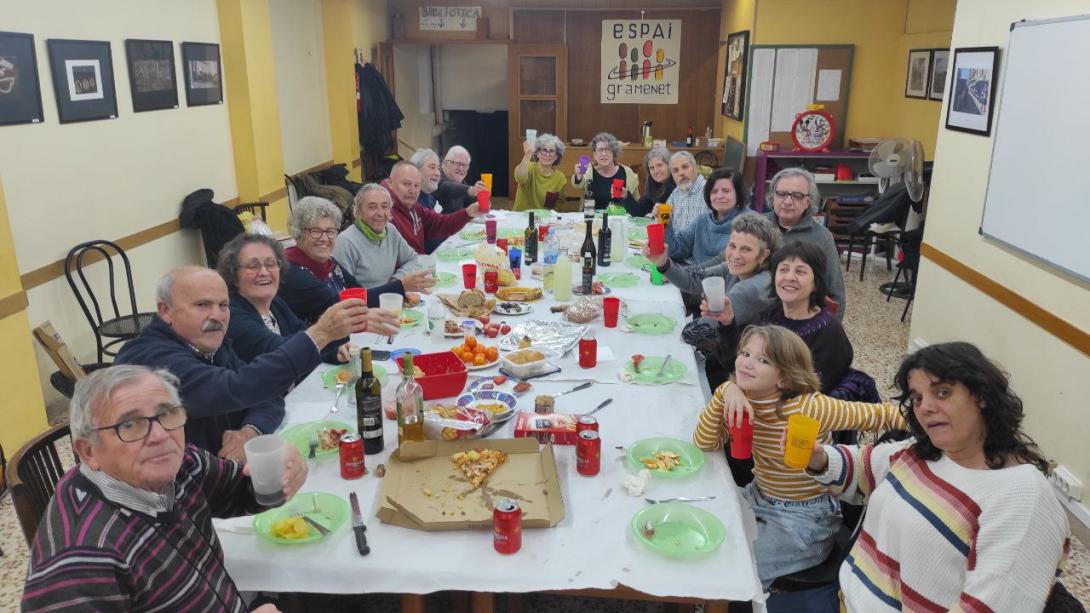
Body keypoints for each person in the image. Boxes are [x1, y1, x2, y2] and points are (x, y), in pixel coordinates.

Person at [804, 342, 1070, 611]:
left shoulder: (1022, 497)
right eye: (917, 398)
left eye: (942, 392)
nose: (925, 407)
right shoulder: (925, 451)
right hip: (843, 599)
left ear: (982, 396)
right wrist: (818, 458)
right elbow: (862, 469)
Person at [22, 365, 306, 612]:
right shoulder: (79, 565)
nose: (159, 435)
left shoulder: (181, 465)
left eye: (166, 413)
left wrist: (281, 474)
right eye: (129, 424)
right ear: (88, 452)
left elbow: (240, 492)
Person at [692, 325, 906, 587]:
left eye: (763, 360)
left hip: (804, 520)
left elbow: (879, 415)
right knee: (701, 518)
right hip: (760, 495)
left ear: (784, 379)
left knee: (734, 563)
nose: (747, 364)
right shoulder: (743, 398)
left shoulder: (809, 406)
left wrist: (928, 425)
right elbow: (704, 443)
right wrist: (725, 392)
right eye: (745, 354)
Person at [115, 266, 366, 459]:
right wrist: (320, 334)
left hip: (224, 474)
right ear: (165, 311)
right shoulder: (150, 359)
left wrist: (250, 431)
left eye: (223, 305)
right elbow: (236, 388)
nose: (216, 316)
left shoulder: (209, 343)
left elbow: (266, 391)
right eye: (202, 305)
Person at [218, 233, 398, 364]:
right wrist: (327, 331)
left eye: (271, 264)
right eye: (252, 266)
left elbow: (301, 333)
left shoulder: (275, 305)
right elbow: (281, 349)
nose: (264, 272)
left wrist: (334, 351)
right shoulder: (233, 316)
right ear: (234, 274)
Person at [646, 213, 781, 384]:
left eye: (746, 249)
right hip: (729, 355)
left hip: (749, 373)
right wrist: (662, 263)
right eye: (732, 246)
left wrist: (708, 316)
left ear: (763, 255)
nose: (735, 255)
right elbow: (694, 279)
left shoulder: (757, 287)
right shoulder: (734, 268)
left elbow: (694, 332)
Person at [279, 196, 410, 323]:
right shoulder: (291, 271)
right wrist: (402, 286)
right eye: (316, 231)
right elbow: (339, 306)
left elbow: (361, 294)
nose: (324, 238)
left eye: (330, 231)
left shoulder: (329, 264)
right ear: (299, 233)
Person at [764, 167, 846, 317]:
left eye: (797, 196)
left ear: (808, 201)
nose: (787, 201)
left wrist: (830, 332)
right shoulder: (757, 225)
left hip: (801, 319)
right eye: (781, 194)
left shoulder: (822, 237)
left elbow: (836, 294)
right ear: (772, 196)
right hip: (756, 316)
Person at [333, 183, 436, 291]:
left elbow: (413, 258)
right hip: (366, 304)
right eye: (372, 207)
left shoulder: (390, 230)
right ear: (358, 212)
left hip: (391, 298)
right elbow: (344, 291)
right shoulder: (346, 242)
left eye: (384, 206)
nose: (380, 213)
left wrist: (396, 280)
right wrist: (393, 288)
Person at [382, 158, 483, 254]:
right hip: (411, 269)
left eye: (416, 185)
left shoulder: (414, 207)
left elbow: (441, 224)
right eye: (406, 184)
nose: (412, 191)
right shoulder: (385, 215)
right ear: (390, 183)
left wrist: (468, 212)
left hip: (420, 264)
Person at [662, 167, 748, 265]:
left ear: (738, 193)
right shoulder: (702, 220)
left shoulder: (750, 223)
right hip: (694, 276)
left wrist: (683, 273)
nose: (719, 196)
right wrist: (665, 221)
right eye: (714, 191)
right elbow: (676, 250)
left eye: (726, 191)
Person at [570, 132, 640, 210]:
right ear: (594, 155)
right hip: (592, 219)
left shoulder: (627, 172)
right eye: (600, 150)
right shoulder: (589, 171)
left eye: (607, 149)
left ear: (614, 153)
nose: (604, 153)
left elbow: (636, 201)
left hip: (620, 219)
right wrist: (579, 176)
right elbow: (577, 185)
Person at [512, 133, 568, 211]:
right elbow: (519, 177)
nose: (547, 154)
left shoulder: (560, 177)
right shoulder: (529, 167)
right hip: (522, 217)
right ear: (537, 153)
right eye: (544, 150)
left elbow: (559, 203)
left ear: (556, 157)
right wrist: (527, 155)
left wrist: (551, 218)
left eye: (551, 151)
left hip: (545, 220)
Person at [661, 151, 707, 233]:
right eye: (675, 171)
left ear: (695, 168)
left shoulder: (710, 192)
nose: (681, 173)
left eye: (685, 167)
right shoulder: (676, 192)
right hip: (676, 245)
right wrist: (659, 214)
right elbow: (664, 224)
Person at [434, 145, 487, 213]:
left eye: (465, 165)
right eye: (458, 164)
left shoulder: (460, 183)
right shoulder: (436, 177)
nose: (461, 169)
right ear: (447, 163)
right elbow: (446, 187)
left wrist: (481, 197)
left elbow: (471, 201)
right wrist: (470, 189)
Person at [629, 146, 676, 217]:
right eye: (652, 168)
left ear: (669, 165)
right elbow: (638, 211)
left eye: (659, 165)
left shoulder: (678, 185)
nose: (656, 171)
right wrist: (625, 196)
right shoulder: (654, 185)